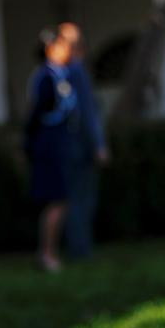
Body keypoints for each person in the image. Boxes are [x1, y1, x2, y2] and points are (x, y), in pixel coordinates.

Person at [24, 29, 79, 272]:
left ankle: (50, 252)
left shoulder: (58, 75)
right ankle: (47, 254)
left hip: (57, 143)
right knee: (55, 199)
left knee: (60, 199)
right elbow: (37, 115)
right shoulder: (47, 78)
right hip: (49, 146)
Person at [58, 22, 109, 258]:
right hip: (80, 149)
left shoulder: (59, 72)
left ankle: (76, 248)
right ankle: (81, 250)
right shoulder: (76, 71)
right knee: (81, 200)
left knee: (73, 200)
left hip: (66, 148)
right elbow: (87, 112)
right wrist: (98, 145)